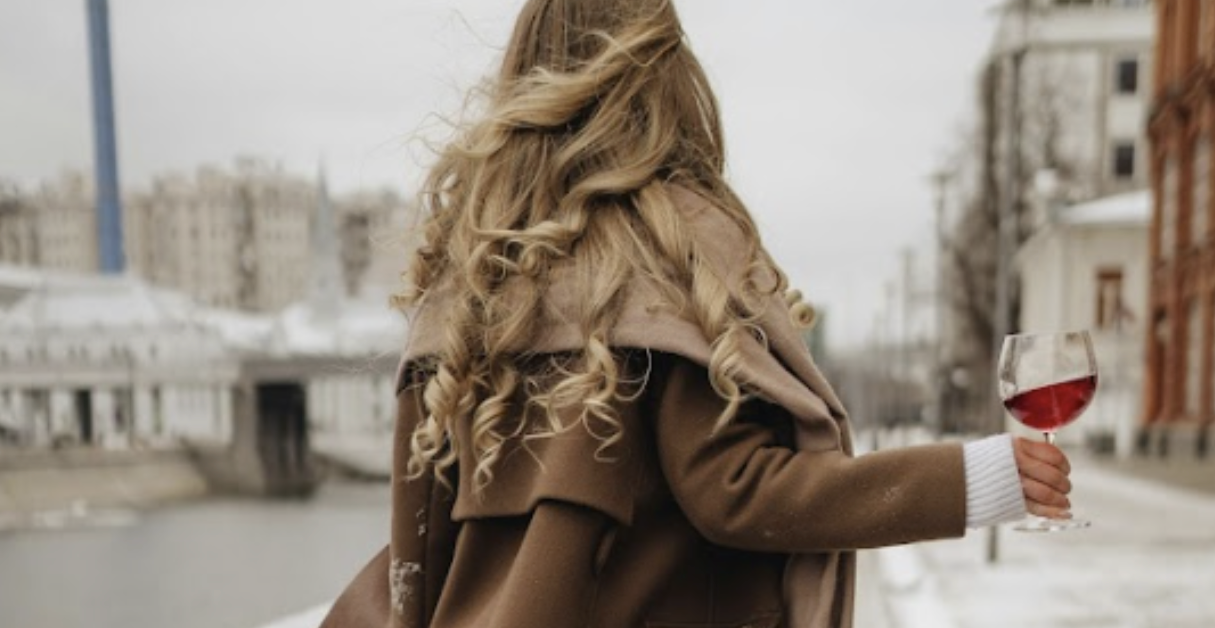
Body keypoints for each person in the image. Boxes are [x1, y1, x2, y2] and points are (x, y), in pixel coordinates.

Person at [322, 1, 1074, 627]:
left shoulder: (466, 283)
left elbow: (414, 554)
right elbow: (741, 492)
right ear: (668, 83)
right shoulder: (659, 267)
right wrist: (975, 480)